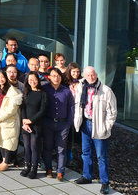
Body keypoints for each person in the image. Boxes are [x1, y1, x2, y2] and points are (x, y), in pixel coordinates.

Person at [72, 66, 117, 194]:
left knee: (101, 157)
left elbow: (112, 112)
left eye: (93, 75)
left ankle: (105, 183)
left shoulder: (106, 91)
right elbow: (78, 105)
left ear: (96, 75)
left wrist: (107, 127)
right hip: (85, 124)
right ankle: (87, 176)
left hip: (99, 126)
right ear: (84, 76)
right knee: (86, 153)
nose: (91, 77)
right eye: (88, 75)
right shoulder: (81, 86)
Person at [42, 68, 74, 181]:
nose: (56, 78)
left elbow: (71, 107)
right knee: (48, 147)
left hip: (63, 124)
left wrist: (69, 123)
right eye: (54, 76)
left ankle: (60, 171)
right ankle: (49, 169)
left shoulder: (66, 91)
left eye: (58, 76)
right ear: (49, 77)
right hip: (48, 122)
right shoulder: (44, 89)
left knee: (61, 148)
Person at [0, 68, 22, 172]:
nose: (0, 79)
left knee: (8, 141)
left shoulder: (13, 92)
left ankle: (6, 162)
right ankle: (4, 159)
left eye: (2, 77)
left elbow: (11, 110)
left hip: (9, 120)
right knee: (1, 141)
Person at [20, 72, 48, 179]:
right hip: (25, 125)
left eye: (34, 79)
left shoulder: (43, 94)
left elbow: (42, 111)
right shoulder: (26, 92)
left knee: (34, 147)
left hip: (36, 124)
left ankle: (34, 168)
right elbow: (22, 108)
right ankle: (27, 166)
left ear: (38, 80)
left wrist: (30, 121)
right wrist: (24, 121)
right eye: (30, 80)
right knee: (26, 147)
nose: (33, 82)